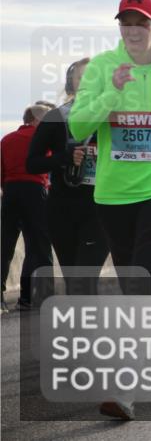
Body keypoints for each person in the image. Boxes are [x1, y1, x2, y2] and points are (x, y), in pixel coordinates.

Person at [68, 0, 151, 420]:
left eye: (141, 22)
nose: (133, 29)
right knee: (133, 284)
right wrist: (112, 91)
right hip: (115, 193)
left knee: (143, 277)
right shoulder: (102, 67)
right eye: (126, 22)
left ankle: (126, 386)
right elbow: (78, 125)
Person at [26, 59, 109, 296]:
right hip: (61, 210)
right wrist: (65, 157)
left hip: (100, 208)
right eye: (82, 77)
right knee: (74, 284)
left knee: (85, 280)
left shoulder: (112, 118)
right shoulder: (55, 117)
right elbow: (32, 164)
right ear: (71, 82)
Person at [2, 102, 54, 312]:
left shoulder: (6, 139)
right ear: (36, 120)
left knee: (5, 246)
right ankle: (31, 298)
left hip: (10, 192)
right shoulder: (44, 139)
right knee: (39, 247)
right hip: (35, 191)